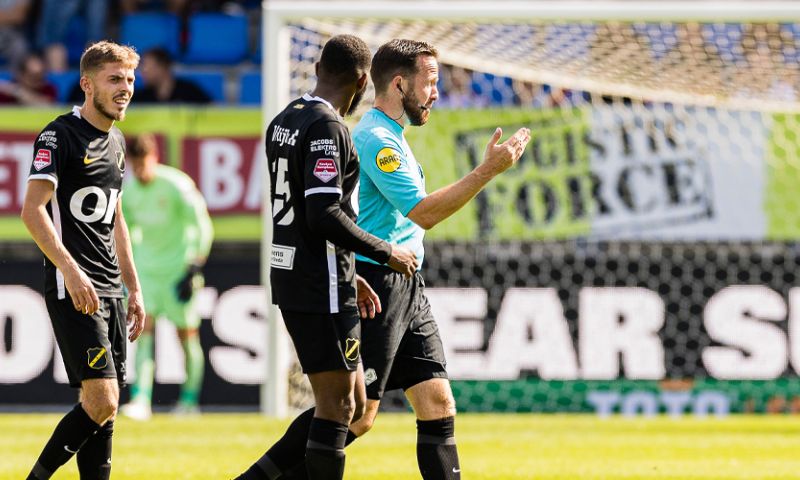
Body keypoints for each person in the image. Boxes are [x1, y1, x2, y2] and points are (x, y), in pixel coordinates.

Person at [245, 39, 532, 480]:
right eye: (430, 82)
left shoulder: (387, 134)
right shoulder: (376, 139)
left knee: (437, 402)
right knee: (352, 414)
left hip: (404, 283)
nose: (437, 92)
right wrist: (487, 170)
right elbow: (424, 213)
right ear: (398, 84)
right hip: (379, 281)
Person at [234, 34, 418, 480]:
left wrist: (350, 271)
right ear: (361, 81)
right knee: (338, 406)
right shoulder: (328, 127)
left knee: (351, 403)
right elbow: (322, 213)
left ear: (318, 69)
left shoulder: (284, 119)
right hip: (319, 282)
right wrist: (383, 250)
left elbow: (301, 212)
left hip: (309, 272)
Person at [20, 40, 145, 480]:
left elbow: (116, 218)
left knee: (103, 409)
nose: (125, 88)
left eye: (129, 79)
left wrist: (134, 286)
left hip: (110, 286)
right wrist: (70, 271)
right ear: (86, 84)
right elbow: (32, 210)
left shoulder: (117, 141)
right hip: (74, 285)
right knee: (104, 398)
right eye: (115, 79)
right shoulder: (59, 135)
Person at [119, 133, 214, 420]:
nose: (140, 172)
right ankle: (141, 400)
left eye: (143, 165)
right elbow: (124, 232)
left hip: (177, 273)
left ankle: (188, 401)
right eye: (135, 167)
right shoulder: (130, 192)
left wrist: (195, 266)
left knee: (186, 337)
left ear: (154, 158)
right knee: (143, 335)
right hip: (147, 273)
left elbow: (202, 225)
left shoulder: (177, 185)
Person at [135, 47, 212, 104]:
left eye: (146, 66)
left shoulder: (190, 92)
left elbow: (213, 111)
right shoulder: (140, 98)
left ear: (162, 67)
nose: (143, 71)